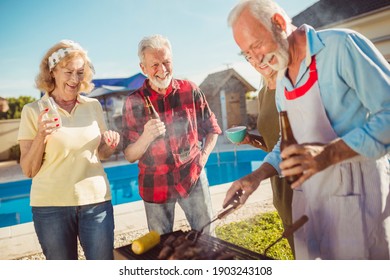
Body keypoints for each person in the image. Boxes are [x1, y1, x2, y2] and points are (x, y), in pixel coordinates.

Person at [224, 0, 390, 259]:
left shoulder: (341, 46)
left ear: (279, 23)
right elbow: (286, 142)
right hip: (312, 201)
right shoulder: (281, 81)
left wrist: (330, 153)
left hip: (359, 196)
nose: (256, 59)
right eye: (247, 53)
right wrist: (256, 177)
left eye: (257, 44)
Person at [17, 40, 120, 260]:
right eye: (68, 72)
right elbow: (28, 169)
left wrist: (108, 145)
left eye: (80, 72)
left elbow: (101, 154)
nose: (75, 79)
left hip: (96, 202)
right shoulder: (32, 111)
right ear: (52, 71)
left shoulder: (93, 106)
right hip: (51, 207)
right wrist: (41, 136)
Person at [122, 34, 222, 235]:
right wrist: (146, 137)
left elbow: (212, 129)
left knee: (207, 238)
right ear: (143, 68)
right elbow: (130, 155)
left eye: (166, 62)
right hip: (155, 184)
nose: (162, 70)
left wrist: (202, 160)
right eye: (155, 64)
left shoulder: (190, 90)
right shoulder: (134, 102)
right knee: (161, 248)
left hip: (192, 177)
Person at [239, 65, 294, 255]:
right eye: (248, 57)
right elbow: (274, 145)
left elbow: (294, 137)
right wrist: (251, 139)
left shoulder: (291, 86)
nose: (256, 60)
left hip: (300, 180)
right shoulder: (262, 93)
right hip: (278, 182)